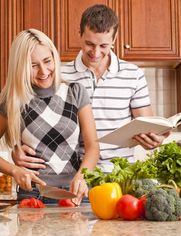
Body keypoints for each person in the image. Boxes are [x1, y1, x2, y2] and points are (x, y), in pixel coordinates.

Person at [12, 4, 169, 173]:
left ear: (114, 40)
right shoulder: (60, 75)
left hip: (121, 175)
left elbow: (147, 127)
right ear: (79, 35)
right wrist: (16, 150)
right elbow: (32, 119)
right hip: (77, 176)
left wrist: (156, 138)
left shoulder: (133, 75)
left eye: (103, 46)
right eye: (89, 44)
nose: (95, 52)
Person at [0, 29, 99, 204]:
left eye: (47, 61)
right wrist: (14, 170)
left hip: (76, 195)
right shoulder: (13, 101)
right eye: (33, 65)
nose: (43, 71)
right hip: (34, 196)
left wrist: (81, 177)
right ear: (21, 67)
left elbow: (93, 146)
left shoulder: (75, 92)